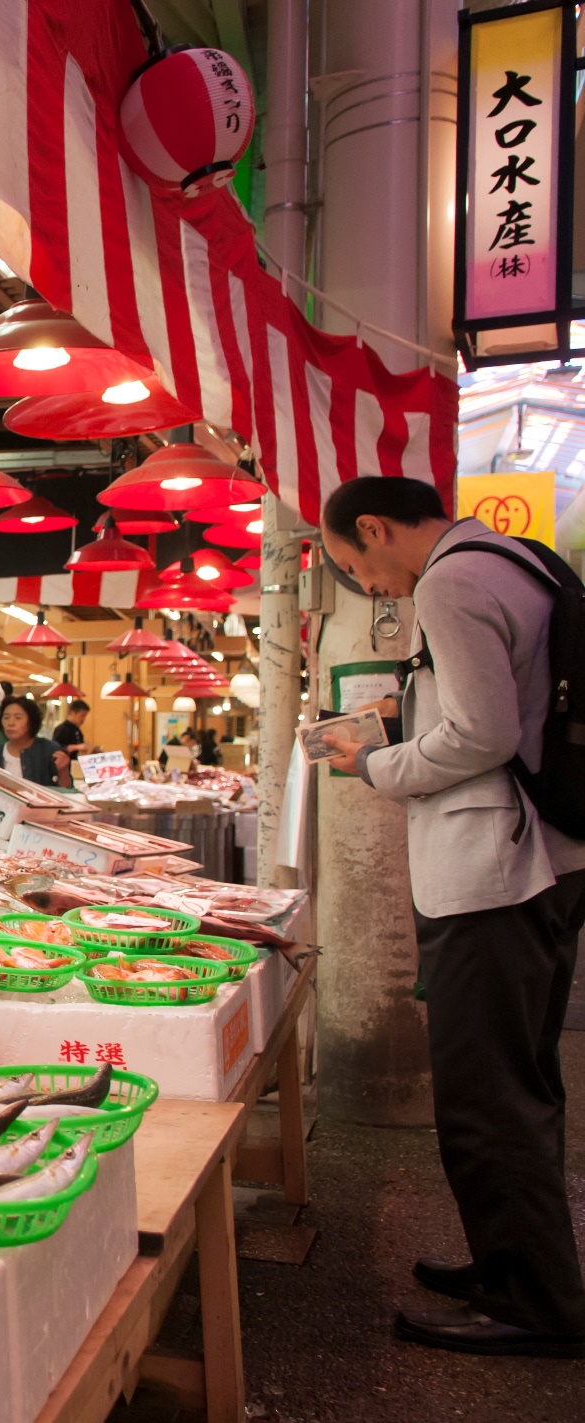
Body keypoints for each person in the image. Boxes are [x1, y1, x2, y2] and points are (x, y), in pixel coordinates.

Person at [316, 475, 585, 1358]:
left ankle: (534, 1302)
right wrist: (400, 718)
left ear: (372, 527)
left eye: (353, 566)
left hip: (496, 873)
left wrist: (374, 764)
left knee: (485, 1094)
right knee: (518, 1080)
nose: (368, 586)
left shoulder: (451, 578)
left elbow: (481, 734)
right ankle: (512, 1266)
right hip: (541, 859)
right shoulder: (516, 561)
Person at [0, 695, 67, 787]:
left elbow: (66, 789)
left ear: (31, 721)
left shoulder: (49, 749)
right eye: (6, 717)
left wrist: (63, 771)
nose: (10, 723)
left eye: (18, 717)